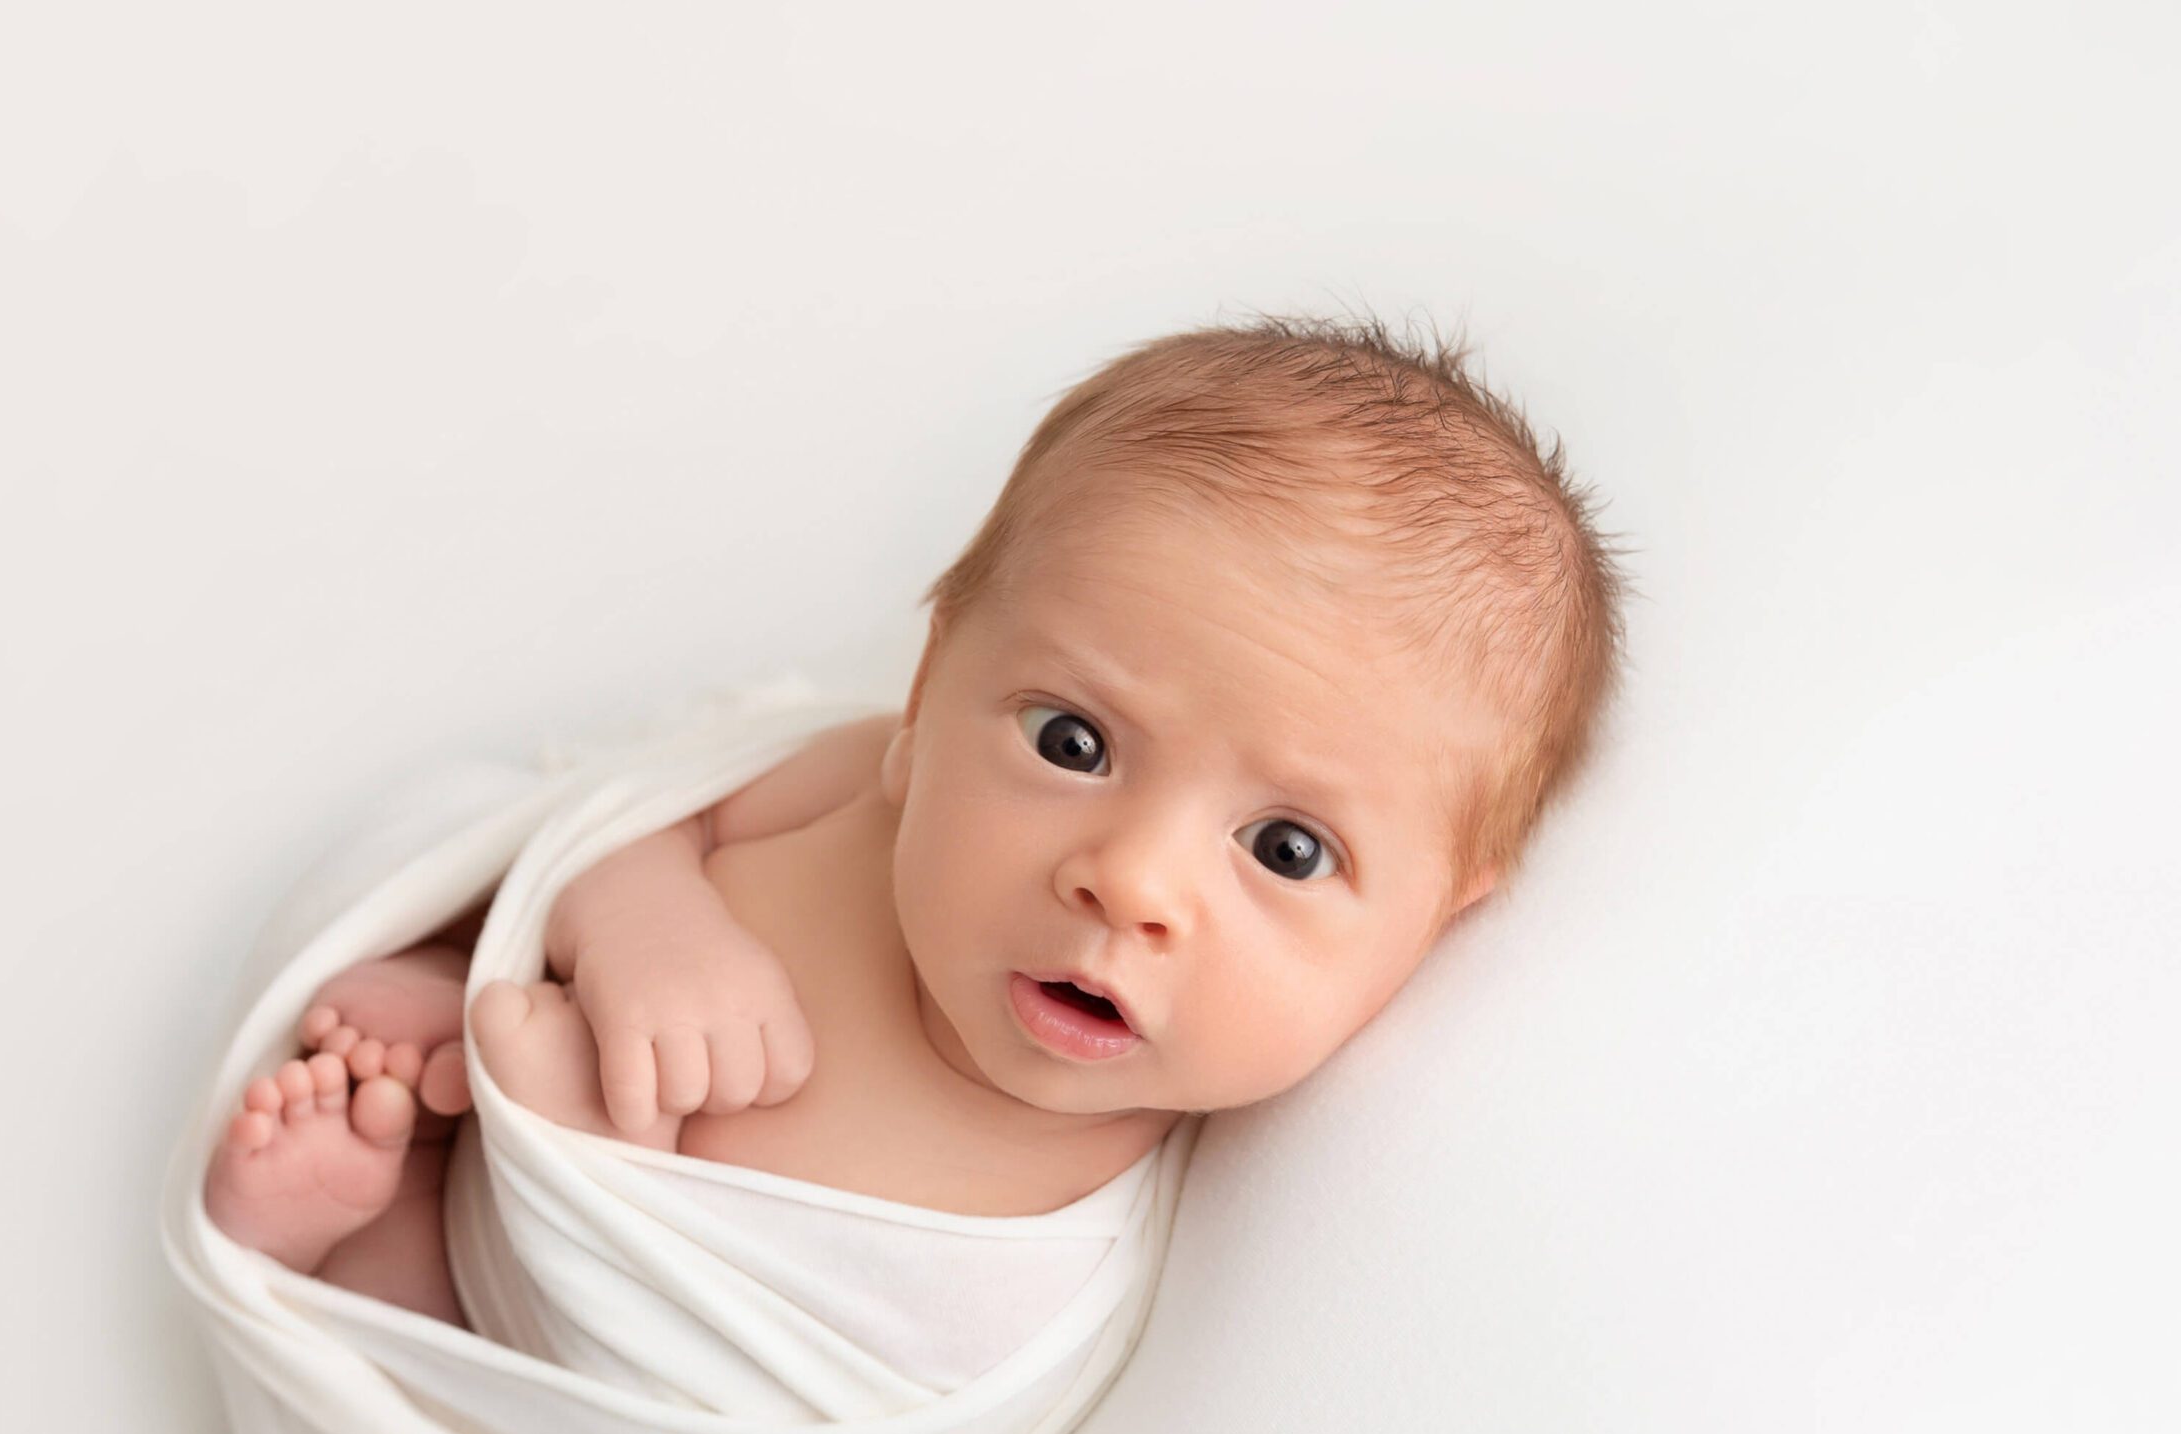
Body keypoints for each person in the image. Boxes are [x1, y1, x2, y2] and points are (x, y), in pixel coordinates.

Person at [202, 312, 1629, 1328]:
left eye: (1287, 850)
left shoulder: (1031, 1247)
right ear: (938, 686)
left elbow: (750, 1428)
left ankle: (360, 1239)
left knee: (472, 1327)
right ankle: (453, 1024)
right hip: (550, 1025)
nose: (1129, 879)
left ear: (1438, 924)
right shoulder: (862, 776)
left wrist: (595, 1157)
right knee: (452, 837)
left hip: (577, 1313)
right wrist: (635, 915)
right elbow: (650, 810)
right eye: (1074, 742)